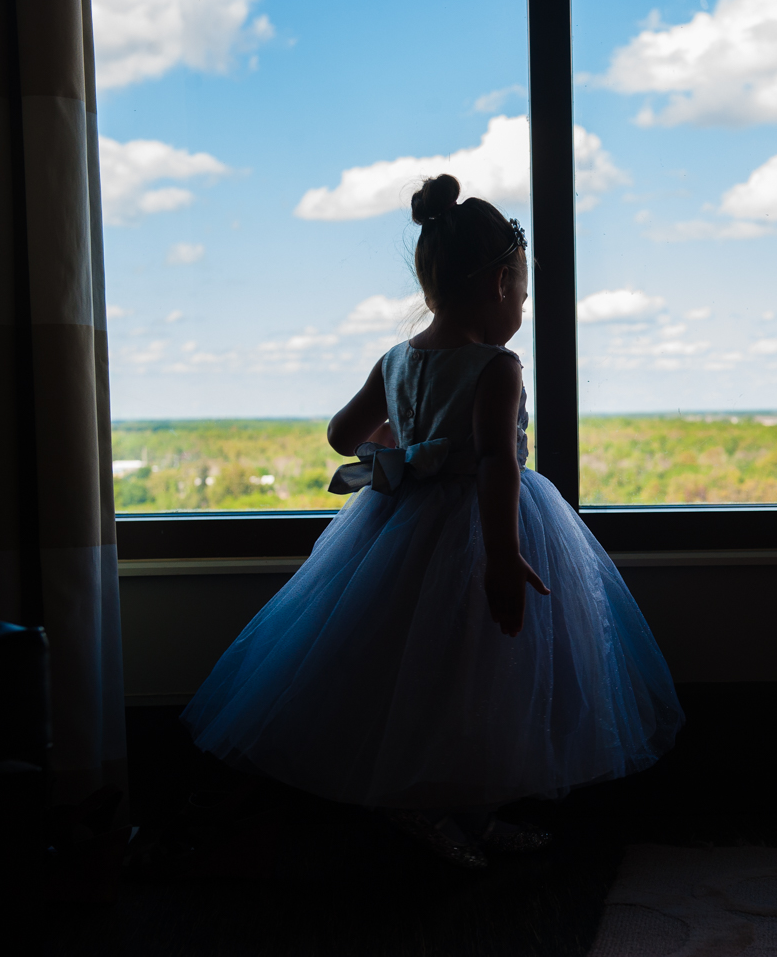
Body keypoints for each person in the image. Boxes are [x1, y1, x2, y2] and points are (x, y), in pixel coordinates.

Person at [181, 174, 684, 868]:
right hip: (482, 529)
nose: (523, 309)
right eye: (525, 294)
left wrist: (405, 439)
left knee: (426, 675)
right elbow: (496, 465)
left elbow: (340, 435)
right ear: (502, 284)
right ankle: (421, 804)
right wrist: (502, 559)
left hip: (399, 527)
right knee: (479, 678)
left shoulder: (395, 359)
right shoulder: (497, 365)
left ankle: (468, 813)